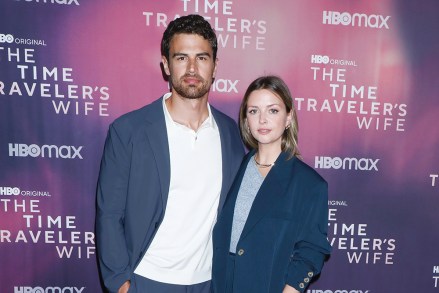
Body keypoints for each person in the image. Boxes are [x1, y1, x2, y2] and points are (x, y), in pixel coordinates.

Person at [96, 14, 244, 293]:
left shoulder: (231, 133)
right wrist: (121, 284)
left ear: (214, 66)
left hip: (209, 282)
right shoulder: (128, 130)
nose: (192, 67)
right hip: (146, 281)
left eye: (201, 57)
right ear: (166, 64)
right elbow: (109, 213)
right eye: (181, 57)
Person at [211, 76, 332, 293]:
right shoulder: (232, 168)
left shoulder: (310, 185)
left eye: (273, 110)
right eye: (254, 111)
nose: (262, 119)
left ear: (288, 117)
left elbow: (312, 251)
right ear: (246, 119)